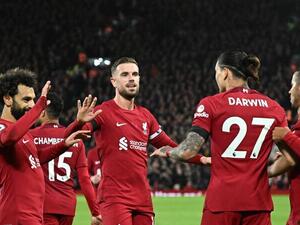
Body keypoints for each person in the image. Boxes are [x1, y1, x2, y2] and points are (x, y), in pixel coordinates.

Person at [66, 57, 210, 225]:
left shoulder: (146, 116)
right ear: (113, 81)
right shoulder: (102, 112)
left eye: (135, 74)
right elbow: (70, 138)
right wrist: (79, 122)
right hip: (115, 198)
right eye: (125, 74)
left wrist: (203, 159)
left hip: (143, 199)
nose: (131, 78)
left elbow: (173, 147)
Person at [151, 51, 287, 225]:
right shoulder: (274, 108)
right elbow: (285, 158)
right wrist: (263, 174)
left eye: (216, 72)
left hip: (222, 203)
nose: (216, 77)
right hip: (259, 204)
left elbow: (187, 151)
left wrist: (169, 151)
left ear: (225, 73)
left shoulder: (212, 104)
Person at [0, 68, 92, 225]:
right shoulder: (3, 127)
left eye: (33, 100)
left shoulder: (25, 133)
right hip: (17, 215)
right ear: (8, 99)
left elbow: (36, 158)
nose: (31, 105)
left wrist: (63, 145)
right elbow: (9, 137)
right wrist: (40, 106)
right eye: (26, 99)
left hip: (33, 214)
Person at [30, 92, 101, 225]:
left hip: (43, 204)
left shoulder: (30, 137)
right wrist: (95, 212)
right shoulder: (76, 139)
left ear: (43, 112)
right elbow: (85, 180)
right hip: (67, 206)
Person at [268, 71, 300, 225]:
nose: (289, 91)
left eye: (292, 85)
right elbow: (292, 161)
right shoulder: (296, 130)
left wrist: (287, 137)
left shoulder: (292, 134)